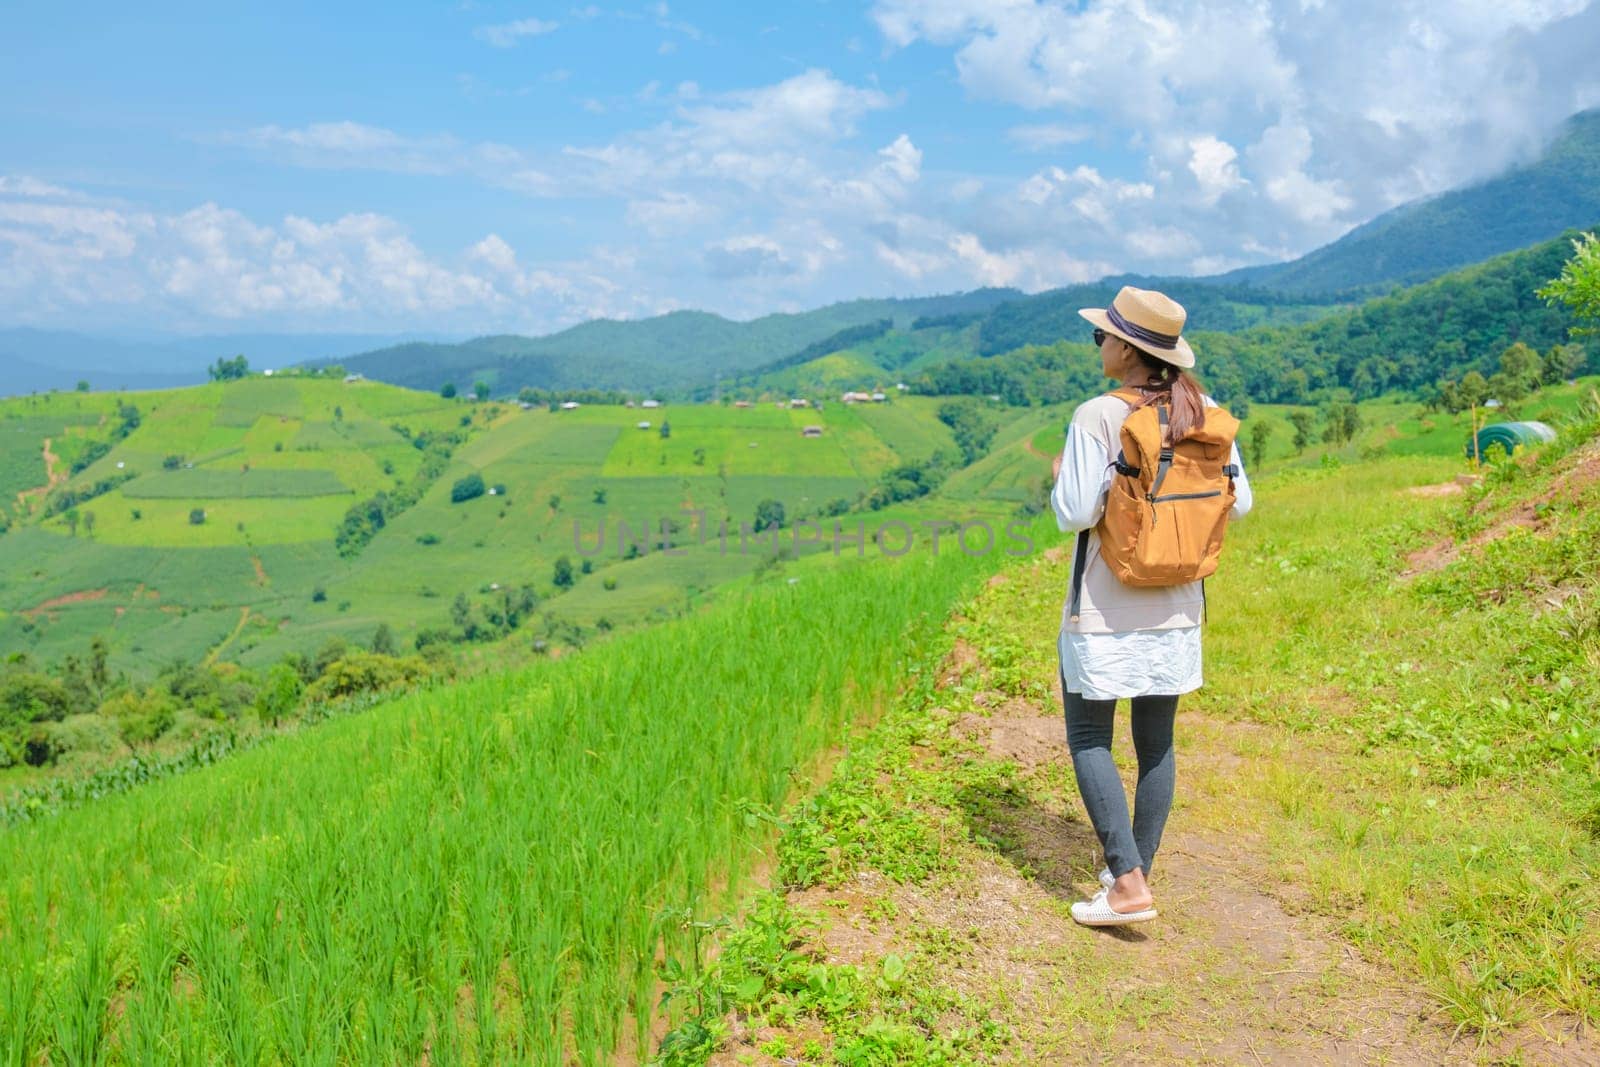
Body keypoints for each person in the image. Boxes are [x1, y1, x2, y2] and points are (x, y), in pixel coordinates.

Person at [1048, 286, 1253, 927]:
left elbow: (1075, 513)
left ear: (1127, 349)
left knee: (1089, 736)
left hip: (1106, 605)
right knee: (1155, 743)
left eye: (1101, 336)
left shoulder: (1096, 416)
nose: (1097, 345)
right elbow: (1239, 503)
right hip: (1178, 604)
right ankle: (1132, 871)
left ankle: (1128, 886)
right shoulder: (1205, 409)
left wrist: (1064, 476)